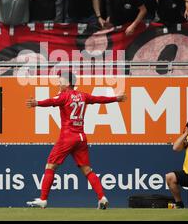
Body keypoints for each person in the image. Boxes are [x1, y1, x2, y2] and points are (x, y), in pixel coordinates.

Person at [26, 71, 127, 209]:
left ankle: (43, 200)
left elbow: (52, 101)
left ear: (68, 83)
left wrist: (37, 103)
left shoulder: (64, 95)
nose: (59, 83)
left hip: (67, 137)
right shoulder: (83, 96)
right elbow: (99, 99)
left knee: (50, 166)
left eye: (60, 80)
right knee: (87, 170)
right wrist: (116, 98)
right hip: (80, 137)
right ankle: (102, 198)